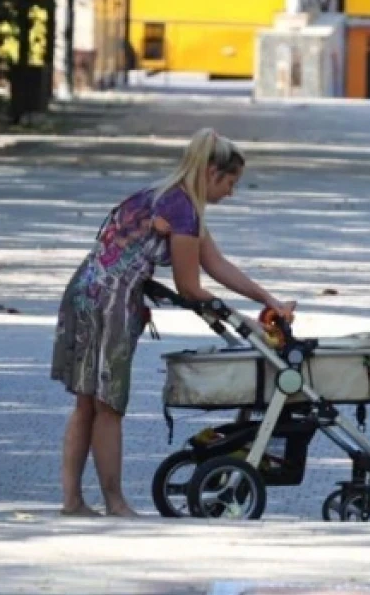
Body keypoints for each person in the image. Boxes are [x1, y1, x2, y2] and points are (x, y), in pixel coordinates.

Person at [50, 127, 296, 517]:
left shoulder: (167, 196)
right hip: (109, 304)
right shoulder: (182, 209)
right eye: (230, 182)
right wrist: (240, 318)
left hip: (83, 292)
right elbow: (190, 286)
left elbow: (216, 264)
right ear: (212, 173)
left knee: (87, 403)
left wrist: (268, 299)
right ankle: (115, 503)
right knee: (109, 405)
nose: (231, 192)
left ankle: (73, 501)